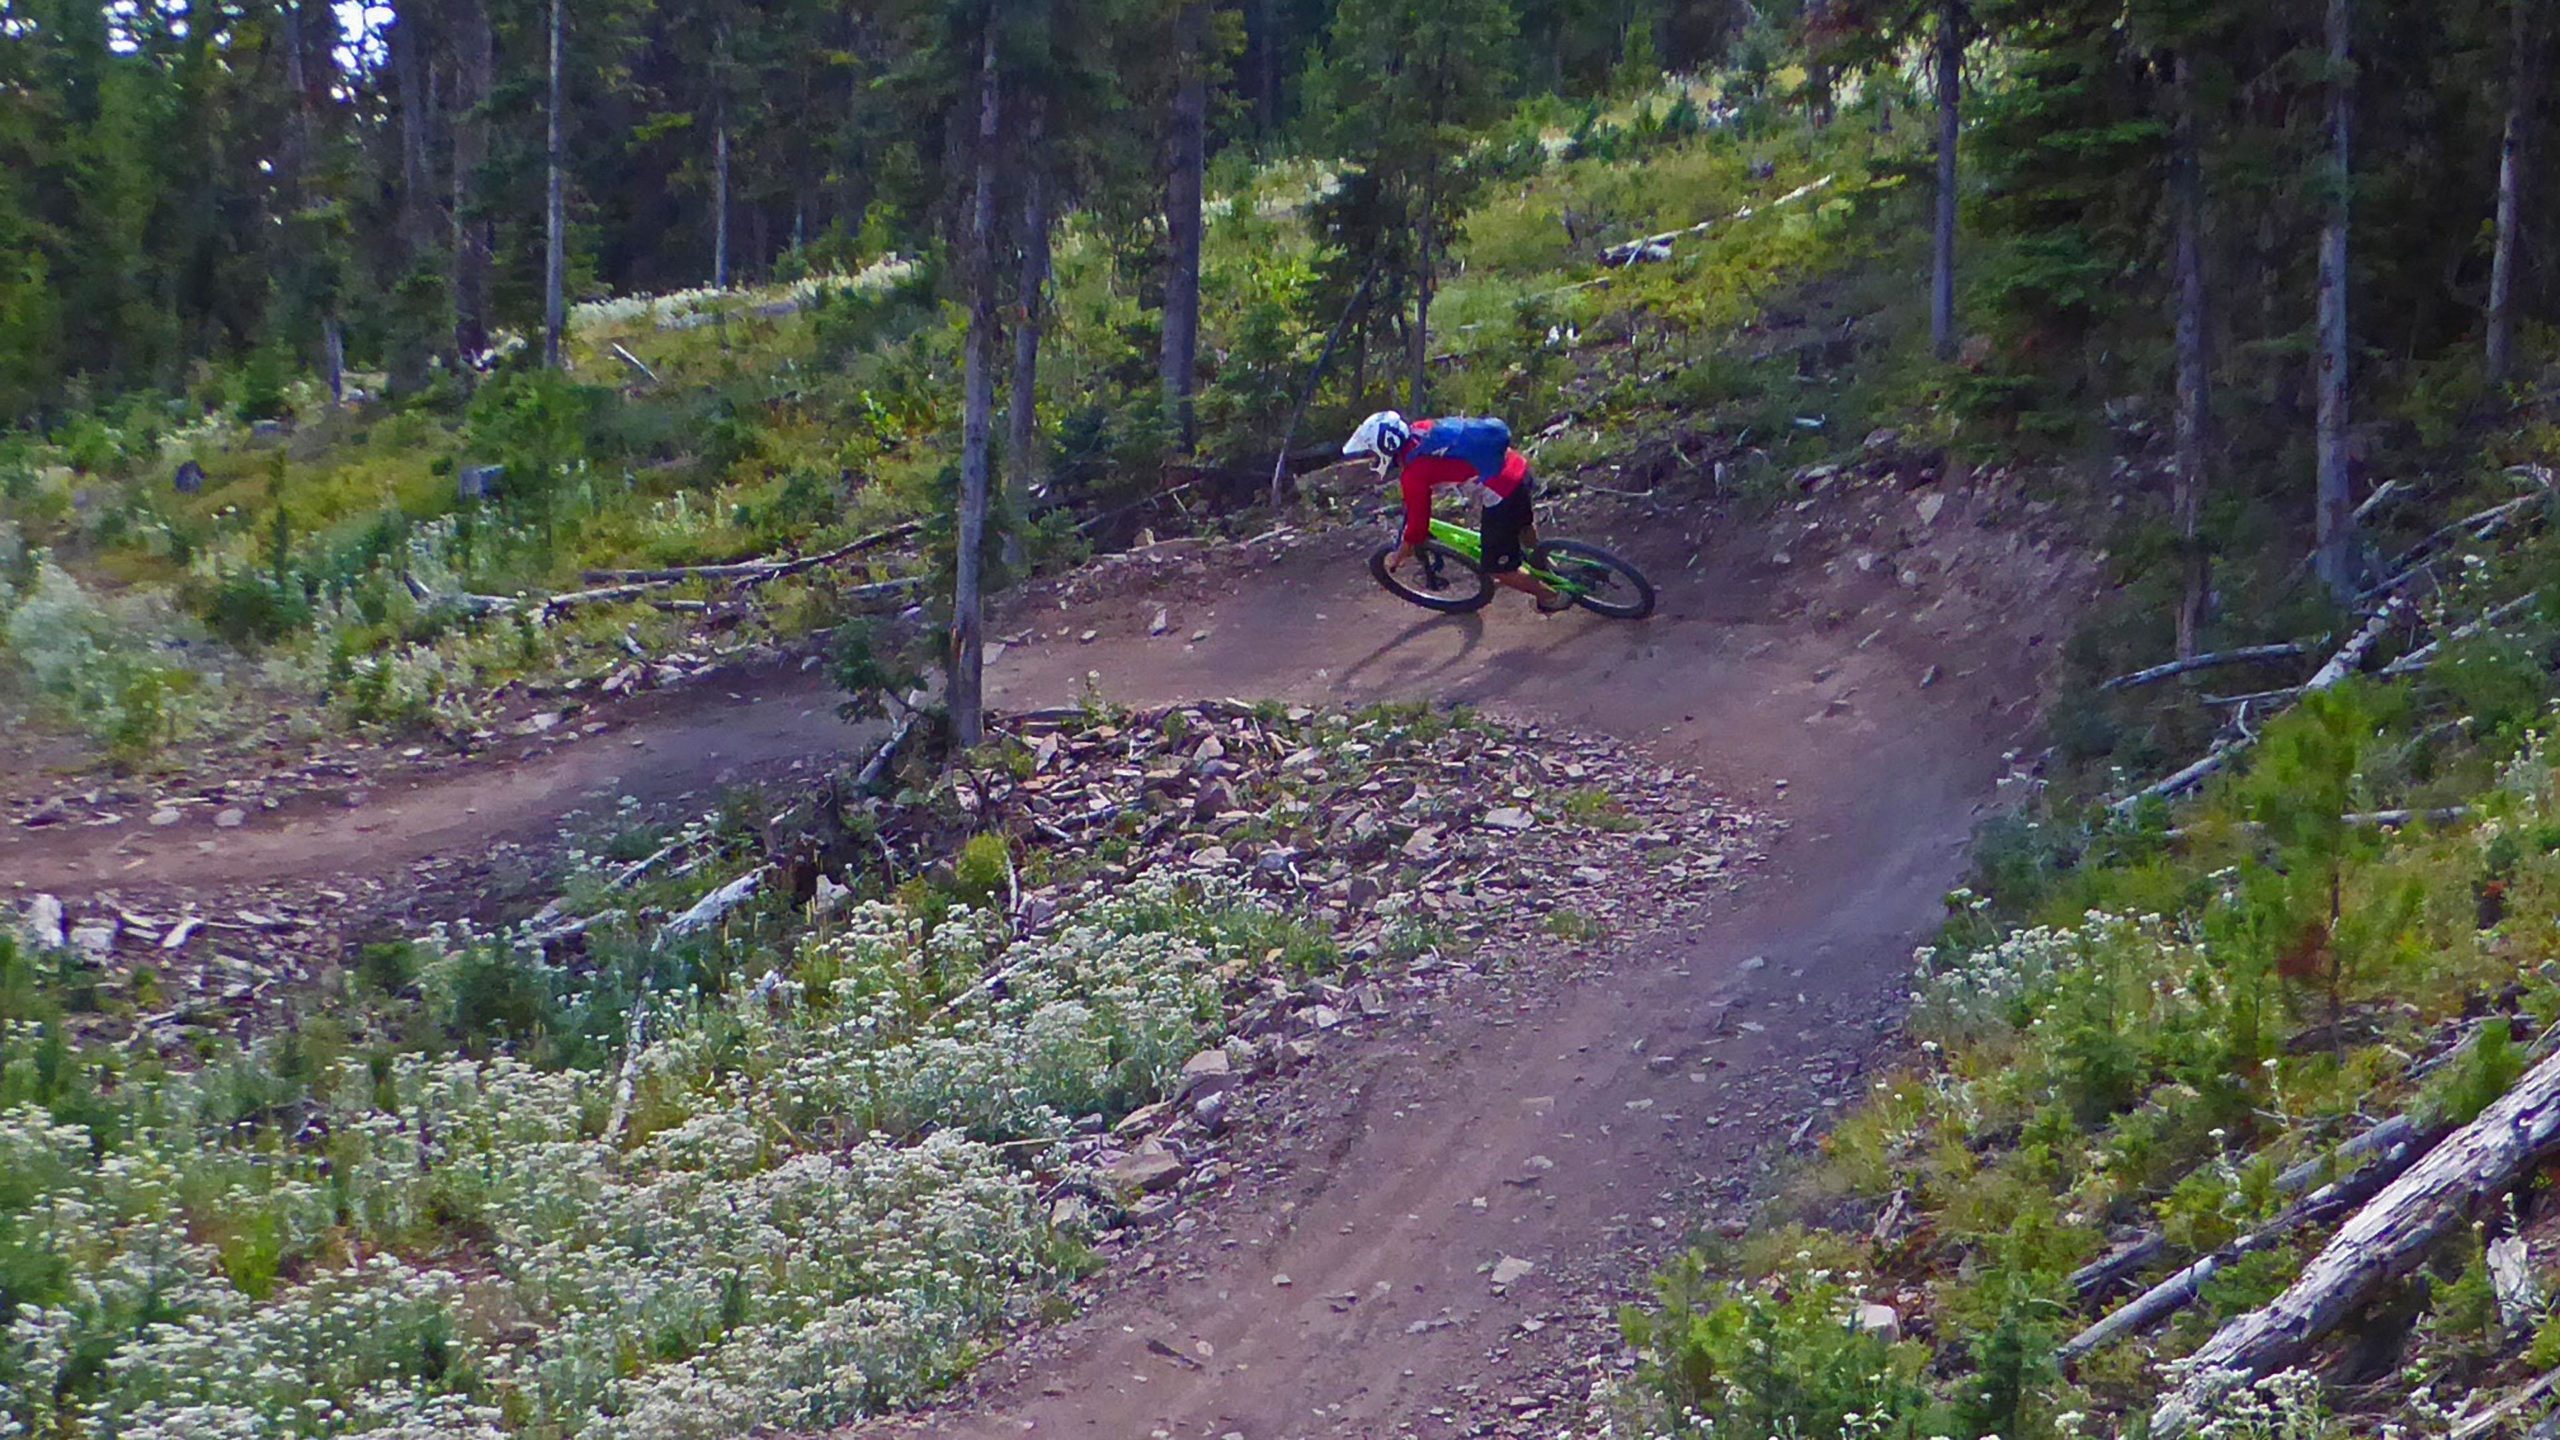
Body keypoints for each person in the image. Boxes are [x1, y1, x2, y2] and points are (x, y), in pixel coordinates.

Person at [1342, 409, 1571, 613]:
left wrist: (1402, 552)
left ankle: (1553, 597)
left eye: (1372, 453)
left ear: (1385, 448)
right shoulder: (1423, 430)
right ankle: (1547, 563)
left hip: (1502, 490)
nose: (1372, 458)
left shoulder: (1414, 473)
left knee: (1498, 570)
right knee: (1521, 525)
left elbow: (1418, 526)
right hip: (1516, 466)